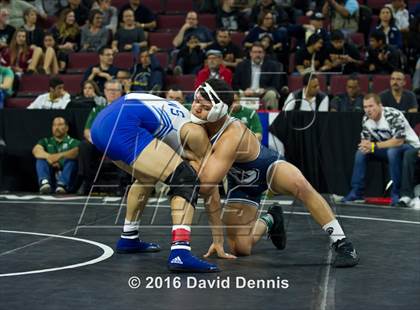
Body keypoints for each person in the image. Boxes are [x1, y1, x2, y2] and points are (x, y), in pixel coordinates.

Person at [189, 78, 359, 267]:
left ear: (219, 110)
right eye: (196, 101)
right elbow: (208, 188)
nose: (196, 108)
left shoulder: (232, 134)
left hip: (265, 166)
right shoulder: (194, 124)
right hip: (240, 181)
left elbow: (206, 186)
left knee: (300, 185)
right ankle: (271, 219)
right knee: (240, 248)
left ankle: (342, 242)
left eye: (203, 106)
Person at [89, 90, 220, 272]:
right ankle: (180, 253)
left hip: (102, 125)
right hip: (123, 125)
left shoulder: (178, 111)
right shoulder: (196, 132)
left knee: (146, 177)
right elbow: (207, 183)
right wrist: (218, 238)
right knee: (186, 179)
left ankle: (129, 236)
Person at [342, 93, 420, 205]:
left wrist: (373, 146)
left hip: (410, 148)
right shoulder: (366, 119)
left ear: (380, 105)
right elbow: (365, 141)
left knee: (393, 151)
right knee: (361, 153)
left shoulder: (391, 114)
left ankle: (396, 194)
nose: (368, 110)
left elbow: (399, 140)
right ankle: (356, 193)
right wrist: (365, 146)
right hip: (387, 149)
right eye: (365, 107)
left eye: (371, 106)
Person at [77, 79, 122, 195]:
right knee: (84, 146)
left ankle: (121, 185)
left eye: (115, 90)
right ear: (105, 92)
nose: (112, 93)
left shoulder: (126, 109)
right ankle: (87, 183)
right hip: (99, 144)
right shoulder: (97, 109)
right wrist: (97, 141)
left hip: (118, 144)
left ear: (121, 92)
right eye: (110, 90)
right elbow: (87, 131)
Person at [32, 117, 79, 194]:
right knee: (40, 159)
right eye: (54, 125)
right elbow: (36, 151)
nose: (56, 127)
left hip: (67, 177)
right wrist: (50, 157)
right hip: (51, 175)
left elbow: (77, 152)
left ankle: (62, 185)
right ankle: (45, 183)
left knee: (71, 160)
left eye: (60, 125)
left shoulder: (74, 142)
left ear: (67, 128)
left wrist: (59, 158)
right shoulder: (46, 141)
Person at [233, 42, 283, 110]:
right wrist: (244, 91)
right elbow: (235, 84)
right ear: (250, 54)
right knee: (236, 95)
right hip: (246, 93)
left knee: (272, 94)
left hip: (263, 93)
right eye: (255, 52)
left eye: (260, 52)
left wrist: (265, 90)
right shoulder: (241, 65)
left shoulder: (272, 66)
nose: (257, 55)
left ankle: (271, 119)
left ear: (264, 54)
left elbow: (276, 85)